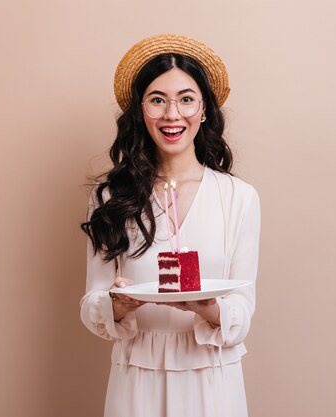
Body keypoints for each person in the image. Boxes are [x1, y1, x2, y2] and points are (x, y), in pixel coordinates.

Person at [80, 34, 261, 417]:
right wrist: (116, 304)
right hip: (136, 376)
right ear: (140, 111)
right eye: (157, 99)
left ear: (205, 109)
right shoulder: (112, 198)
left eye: (186, 99)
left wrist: (209, 309)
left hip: (212, 377)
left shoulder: (238, 197)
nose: (172, 114)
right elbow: (92, 303)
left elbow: (242, 309)